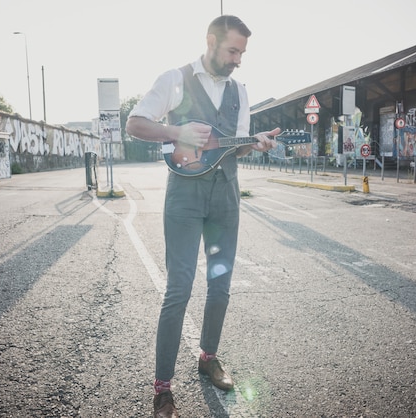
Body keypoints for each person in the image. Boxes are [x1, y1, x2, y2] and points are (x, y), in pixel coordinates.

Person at [126, 15, 279, 418]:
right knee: (179, 289)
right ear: (210, 41)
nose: (238, 60)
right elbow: (135, 123)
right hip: (185, 199)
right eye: (232, 50)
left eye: (242, 53)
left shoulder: (240, 91)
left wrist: (256, 143)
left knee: (221, 285)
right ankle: (162, 388)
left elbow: (234, 146)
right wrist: (176, 134)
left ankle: (208, 357)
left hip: (226, 197)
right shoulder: (175, 79)